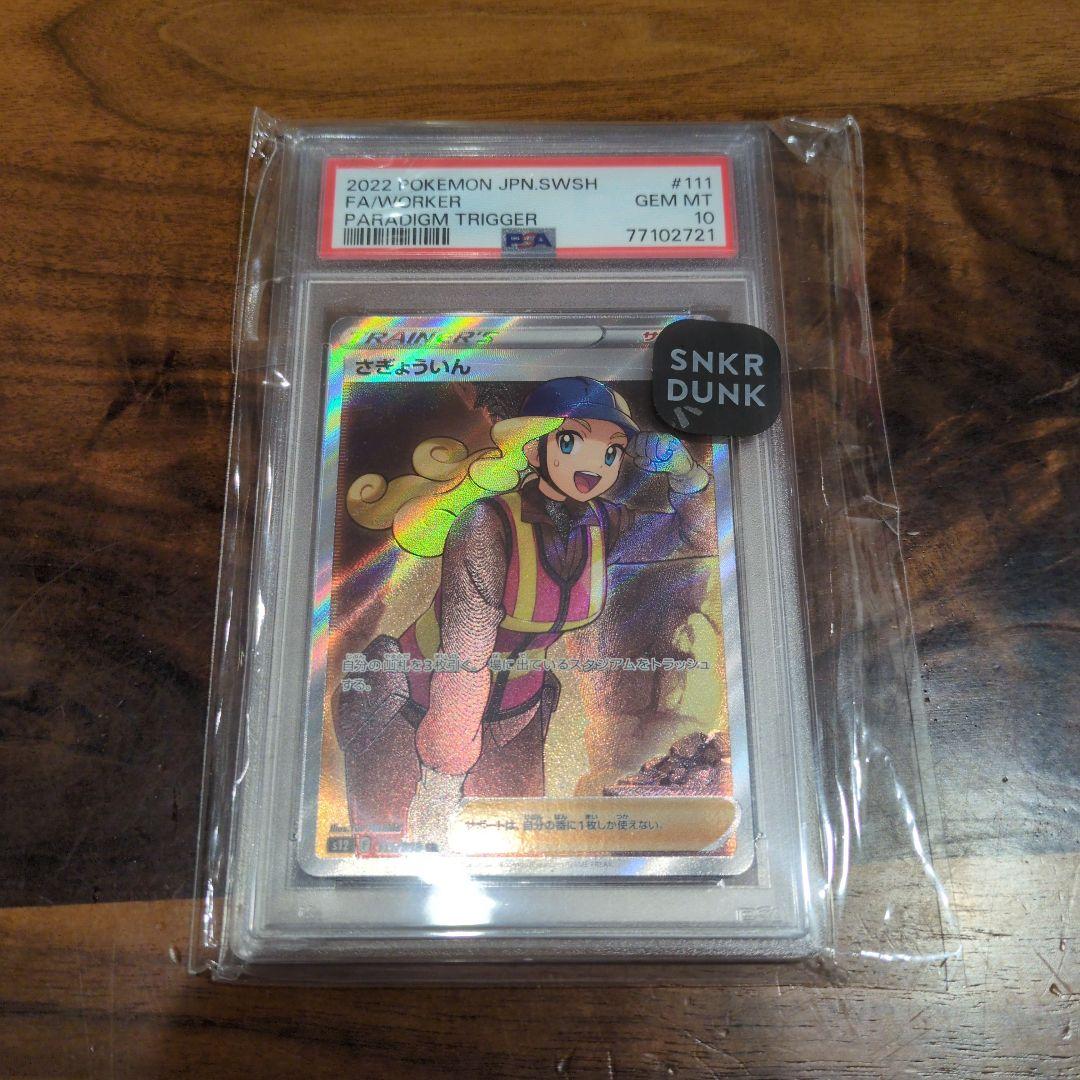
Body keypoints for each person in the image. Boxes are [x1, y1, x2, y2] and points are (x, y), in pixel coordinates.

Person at [335, 377, 713, 848]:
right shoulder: (485, 523)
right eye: (571, 442)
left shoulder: (602, 524)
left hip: (519, 714)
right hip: (419, 709)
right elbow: (465, 660)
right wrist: (440, 782)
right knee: (391, 849)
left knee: (521, 852)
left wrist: (687, 476)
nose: (594, 464)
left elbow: (701, 537)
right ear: (534, 449)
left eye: (612, 451)